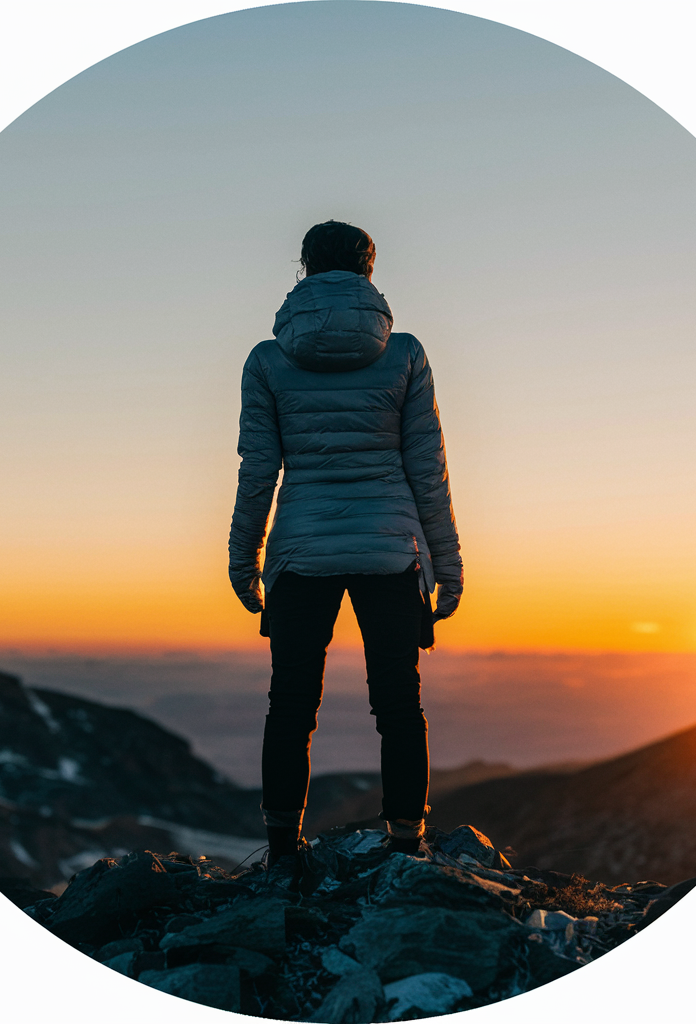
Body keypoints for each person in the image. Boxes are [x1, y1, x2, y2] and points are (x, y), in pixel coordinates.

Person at [228, 220, 462, 863]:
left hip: (301, 554)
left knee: (292, 703)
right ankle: (406, 841)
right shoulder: (405, 353)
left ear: (304, 268)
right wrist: (448, 565)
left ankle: (282, 849)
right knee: (398, 702)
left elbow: (257, 471)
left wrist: (243, 561)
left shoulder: (267, 360)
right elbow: (427, 470)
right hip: (390, 551)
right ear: (369, 272)